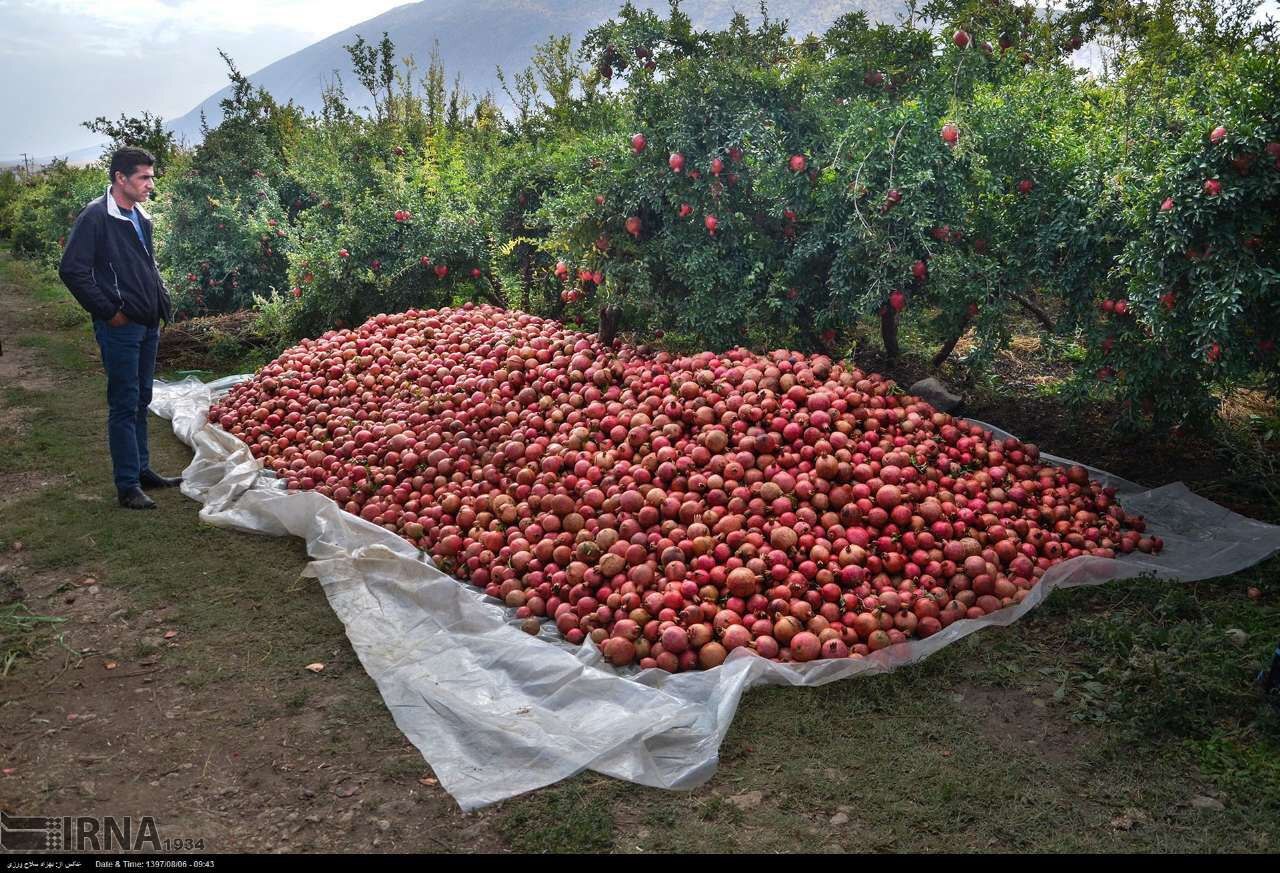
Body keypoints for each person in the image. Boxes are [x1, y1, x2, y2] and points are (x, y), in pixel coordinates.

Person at [59, 146, 181, 510]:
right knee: (124, 402)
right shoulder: (97, 217)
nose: (150, 184)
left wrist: (158, 303)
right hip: (121, 327)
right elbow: (72, 270)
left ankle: (143, 471)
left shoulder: (140, 215)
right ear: (120, 178)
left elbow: (144, 267)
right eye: (144, 177)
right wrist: (110, 311)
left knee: (143, 398)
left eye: (151, 177)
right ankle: (127, 484)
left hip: (146, 324)